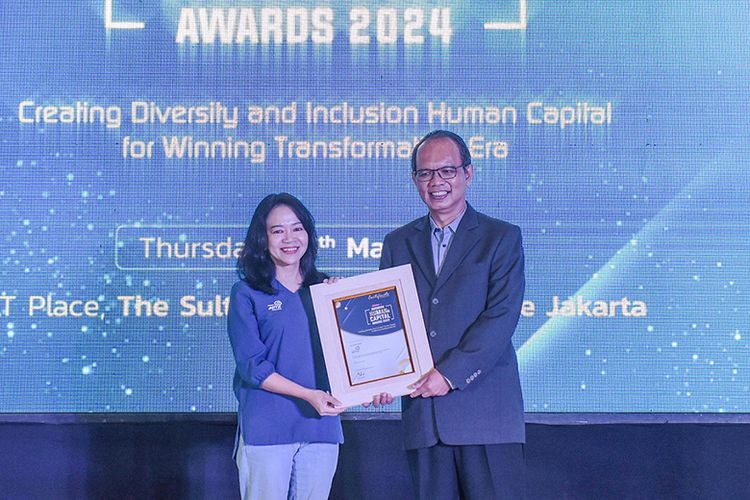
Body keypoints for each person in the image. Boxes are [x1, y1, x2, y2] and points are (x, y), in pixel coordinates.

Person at [379, 130, 527, 499]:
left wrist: (449, 374)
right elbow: (387, 320)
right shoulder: (397, 243)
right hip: (425, 418)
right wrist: (378, 377)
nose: (436, 182)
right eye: (425, 173)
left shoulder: (500, 237)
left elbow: (502, 316)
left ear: (467, 173)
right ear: (415, 179)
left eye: (447, 171)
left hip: (486, 414)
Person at [227, 193, 345, 500]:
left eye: (297, 228)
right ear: (262, 238)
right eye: (277, 230)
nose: (289, 238)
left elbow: (353, 357)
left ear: (308, 233)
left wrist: (376, 386)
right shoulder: (246, 293)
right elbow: (253, 366)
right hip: (267, 429)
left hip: (321, 428)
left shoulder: (328, 290)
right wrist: (308, 395)